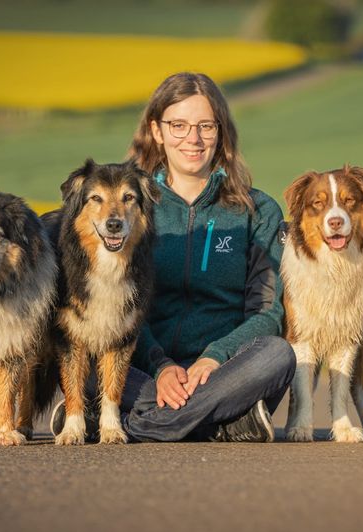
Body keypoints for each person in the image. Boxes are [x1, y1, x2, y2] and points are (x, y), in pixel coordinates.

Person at [51, 72, 295, 442]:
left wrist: (215, 357)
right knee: (79, 357)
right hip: (142, 367)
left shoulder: (258, 210)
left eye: (205, 126)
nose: (192, 139)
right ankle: (221, 423)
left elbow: (267, 312)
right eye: (178, 125)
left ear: (222, 132)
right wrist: (161, 365)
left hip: (225, 371)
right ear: (157, 130)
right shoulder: (134, 205)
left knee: (277, 355)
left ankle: (135, 424)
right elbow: (119, 308)